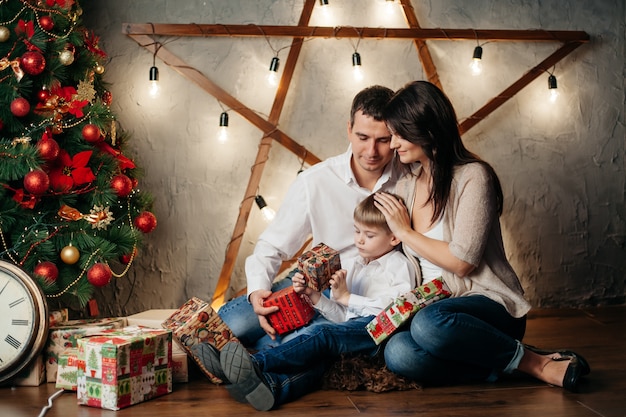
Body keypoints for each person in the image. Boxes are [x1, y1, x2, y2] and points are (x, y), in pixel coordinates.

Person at [372, 80, 590, 392]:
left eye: (398, 133)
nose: (392, 144)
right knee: (398, 352)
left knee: (429, 325)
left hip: (488, 306)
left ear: (427, 130)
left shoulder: (474, 176)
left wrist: (405, 231)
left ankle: (535, 364)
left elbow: (462, 262)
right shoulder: (406, 186)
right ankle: (503, 366)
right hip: (436, 308)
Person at [217, 85, 398, 351]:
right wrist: (257, 292)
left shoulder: (409, 180)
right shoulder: (315, 180)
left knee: (288, 344)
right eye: (362, 137)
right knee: (231, 327)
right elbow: (273, 246)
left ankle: (253, 357)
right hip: (308, 282)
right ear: (348, 129)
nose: (371, 151)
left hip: (360, 295)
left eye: (383, 140)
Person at [195, 193, 416, 410]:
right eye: (357, 231)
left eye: (369, 235)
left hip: (380, 333)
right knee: (319, 352)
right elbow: (343, 318)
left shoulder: (398, 265)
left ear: (394, 237)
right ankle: (271, 386)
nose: (358, 239)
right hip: (354, 331)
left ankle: (254, 364)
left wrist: (348, 298)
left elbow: (398, 309)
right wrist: (315, 296)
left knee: (322, 335)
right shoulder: (356, 265)